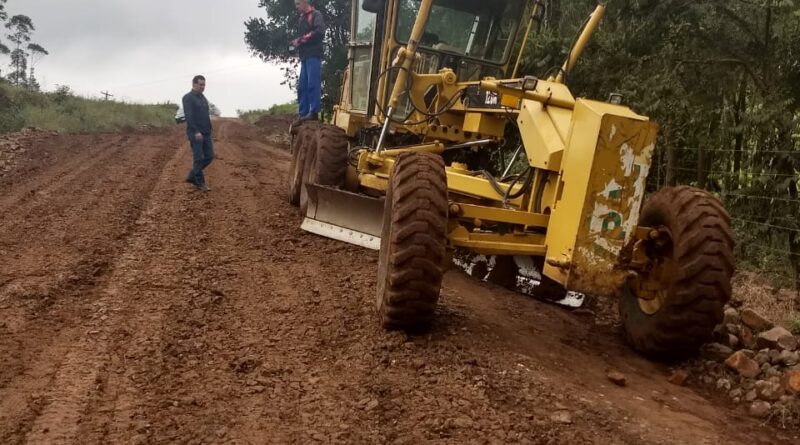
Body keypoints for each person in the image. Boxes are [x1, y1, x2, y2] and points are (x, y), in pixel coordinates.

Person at [291, 0, 325, 123]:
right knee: (302, 87)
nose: (296, 7)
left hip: (314, 55)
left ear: (305, 2)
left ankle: (314, 112)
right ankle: (303, 114)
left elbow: (319, 33)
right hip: (304, 57)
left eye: (298, 4)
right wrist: (296, 43)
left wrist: (299, 41)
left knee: (312, 84)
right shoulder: (301, 19)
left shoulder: (316, 15)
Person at [182, 75, 214, 192]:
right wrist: (196, 131)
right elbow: (189, 117)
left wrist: (210, 128)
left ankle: (192, 175)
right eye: (200, 84)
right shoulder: (188, 98)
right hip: (196, 134)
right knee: (198, 158)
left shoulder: (202, 97)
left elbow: (205, 115)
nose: (202, 87)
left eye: (204, 85)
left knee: (210, 156)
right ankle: (200, 183)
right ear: (194, 84)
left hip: (206, 133)